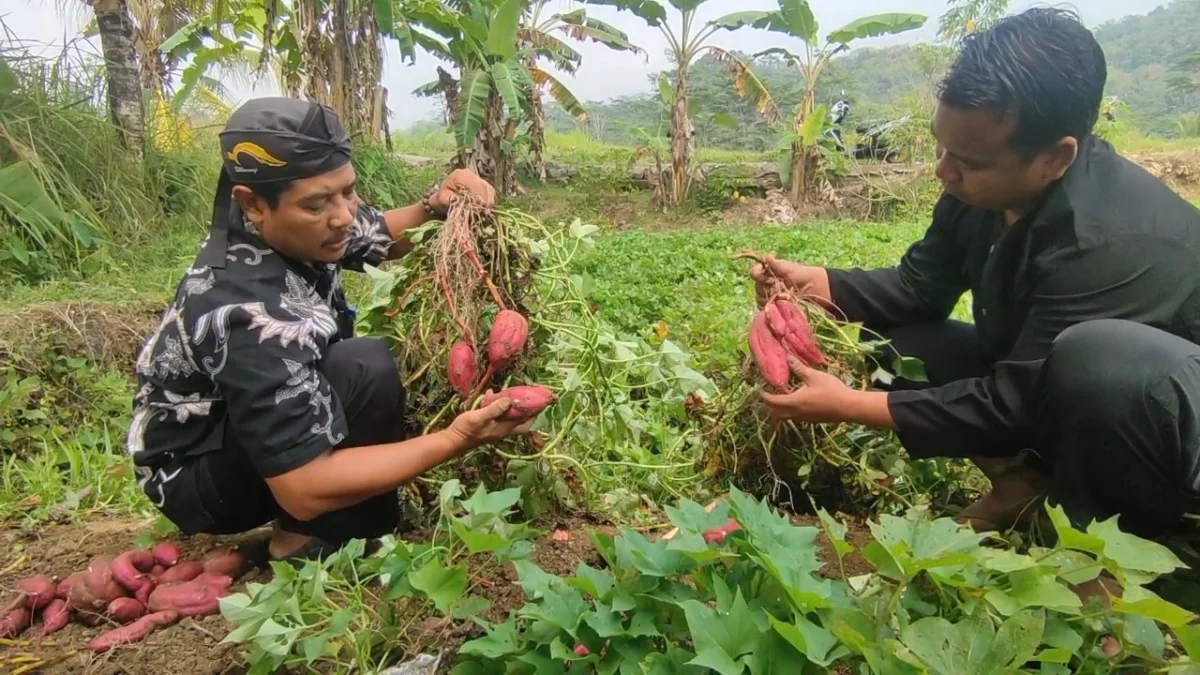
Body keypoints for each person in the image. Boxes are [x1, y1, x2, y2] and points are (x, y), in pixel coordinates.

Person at [751, 8, 1200, 542]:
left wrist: (849, 406)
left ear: (1055, 158)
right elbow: (917, 288)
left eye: (969, 160)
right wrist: (814, 283)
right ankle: (1022, 488)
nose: (944, 170)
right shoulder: (982, 191)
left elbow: (1014, 403)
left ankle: (1119, 543)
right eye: (942, 146)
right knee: (900, 344)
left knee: (1097, 357)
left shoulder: (1115, 239)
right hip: (1055, 395)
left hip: (1167, 435)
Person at [127, 97, 533, 564]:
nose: (342, 215)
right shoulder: (244, 307)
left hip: (247, 432)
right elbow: (303, 488)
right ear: (252, 204)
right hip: (202, 478)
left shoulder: (293, 224)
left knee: (368, 366)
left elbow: (377, 233)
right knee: (364, 365)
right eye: (319, 203)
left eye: (348, 191)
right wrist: (456, 439)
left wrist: (436, 204)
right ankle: (302, 538)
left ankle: (349, 524)